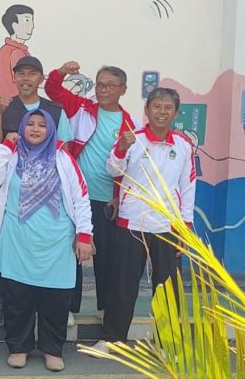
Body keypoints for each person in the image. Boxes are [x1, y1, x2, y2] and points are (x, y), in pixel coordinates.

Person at [0, 110, 94, 372]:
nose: (35, 129)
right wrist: (5, 147)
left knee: (55, 299)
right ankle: (19, 347)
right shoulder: (12, 156)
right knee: (17, 298)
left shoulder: (63, 158)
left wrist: (84, 235)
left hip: (57, 243)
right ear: (22, 128)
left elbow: (80, 198)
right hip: (18, 241)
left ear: (51, 130)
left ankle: (52, 349)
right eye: (30, 124)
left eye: (42, 125)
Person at [93, 88, 194, 354]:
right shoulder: (132, 138)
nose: (162, 112)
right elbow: (112, 170)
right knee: (122, 285)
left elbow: (188, 186)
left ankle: (166, 344)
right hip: (131, 223)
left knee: (168, 289)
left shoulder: (183, 146)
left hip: (167, 226)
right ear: (147, 110)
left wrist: (185, 227)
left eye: (168, 108)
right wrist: (121, 148)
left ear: (176, 113)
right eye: (157, 106)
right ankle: (112, 339)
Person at [45, 61, 137, 322]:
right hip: (76, 199)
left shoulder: (130, 124)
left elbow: (130, 166)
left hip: (107, 201)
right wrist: (63, 72)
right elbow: (53, 90)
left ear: (123, 90)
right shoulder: (82, 107)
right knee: (70, 254)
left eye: (110, 86)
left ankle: (104, 308)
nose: (102, 90)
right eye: (99, 85)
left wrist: (119, 197)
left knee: (106, 258)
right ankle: (68, 308)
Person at [0, 55, 73, 327]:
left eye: (32, 74)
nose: (26, 79)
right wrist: (0, 113)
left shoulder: (55, 110)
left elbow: (65, 151)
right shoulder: (4, 106)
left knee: (52, 249)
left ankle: (58, 307)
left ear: (41, 78)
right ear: (14, 77)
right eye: (21, 73)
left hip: (48, 194)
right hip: (12, 189)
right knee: (2, 247)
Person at [0, 4, 34, 106]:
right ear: (14, 25)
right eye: (27, 21)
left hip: (5, 110)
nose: (31, 26)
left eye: (32, 21)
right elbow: (30, 80)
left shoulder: (8, 50)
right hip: (15, 109)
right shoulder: (16, 52)